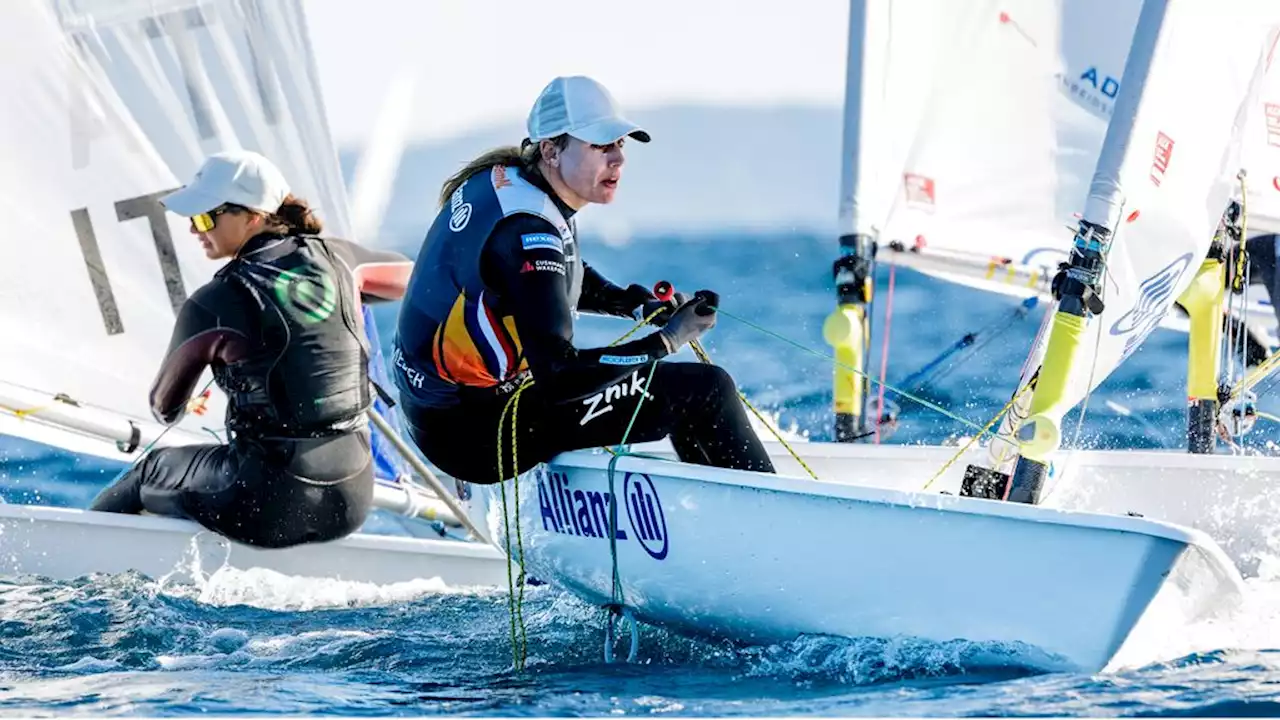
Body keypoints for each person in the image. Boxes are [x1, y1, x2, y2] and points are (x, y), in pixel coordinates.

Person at [391, 75, 775, 484]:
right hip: (478, 436)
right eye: (599, 146)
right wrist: (665, 340)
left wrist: (632, 304)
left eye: (620, 145)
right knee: (707, 389)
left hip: (447, 417)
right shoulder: (527, 232)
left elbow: (548, 280)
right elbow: (560, 377)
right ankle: (772, 520)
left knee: (674, 392)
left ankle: (715, 506)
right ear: (551, 151)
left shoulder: (510, 182)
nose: (618, 160)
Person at [90, 150, 415, 549]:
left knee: (150, 472)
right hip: (351, 498)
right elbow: (410, 280)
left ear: (253, 216)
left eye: (206, 216)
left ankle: (83, 558)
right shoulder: (341, 260)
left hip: (267, 504)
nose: (195, 228)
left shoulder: (213, 301)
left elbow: (165, 408)